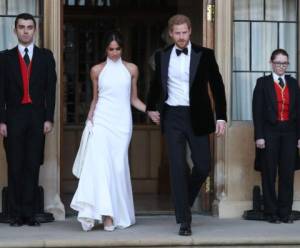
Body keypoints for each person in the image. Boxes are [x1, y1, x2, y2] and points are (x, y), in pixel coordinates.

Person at [146, 14, 227, 236]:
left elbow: (217, 86)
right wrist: (151, 107)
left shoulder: (205, 55)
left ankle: (185, 200)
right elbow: (155, 84)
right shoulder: (161, 56)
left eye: (184, 32)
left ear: (190, 31)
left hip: (198, 116)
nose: (181, 37)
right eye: (177, 33)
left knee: (202, 165)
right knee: (178, 167)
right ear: (171, 34)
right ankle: (184, 220)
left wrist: (221, 116)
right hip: (172, 116)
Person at [70, 31, 146, 232]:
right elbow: (96, 98)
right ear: (106, 49)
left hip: (122, 124)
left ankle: (117, 213)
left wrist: (150, 111)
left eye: (117, 49)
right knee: (101, 168)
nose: (114, 53)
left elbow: (133, 99)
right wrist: (90, 118)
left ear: (122, 49)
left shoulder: (132, 69)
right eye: (111, 49)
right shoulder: (96, 70)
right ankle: (107, 216)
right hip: (101, 121)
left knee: (118, 168)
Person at [0, 13, 57, 227]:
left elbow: (51, 90)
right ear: (15, 30)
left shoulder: (45, 56)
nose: (25, 31)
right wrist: (1, 120)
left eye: (29, 27)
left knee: (33, 165)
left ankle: (29, 214)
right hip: (13, 117)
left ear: (35, 30)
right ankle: (15, 215)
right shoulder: (4, 58)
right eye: (21, 27)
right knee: (15, 165)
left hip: (37, 117)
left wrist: (48, 118)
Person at [252, 49, 300, 224]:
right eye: (278, 62)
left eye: (285, 63)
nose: (281, 66)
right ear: (271, 63)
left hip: (289, 132)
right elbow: (257, 112)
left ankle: (284, 213)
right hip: (269, 132)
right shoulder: (262, 83)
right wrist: (259, 136)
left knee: (287, 173)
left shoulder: (293, 84)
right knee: (269, 172)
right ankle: (271, 212)